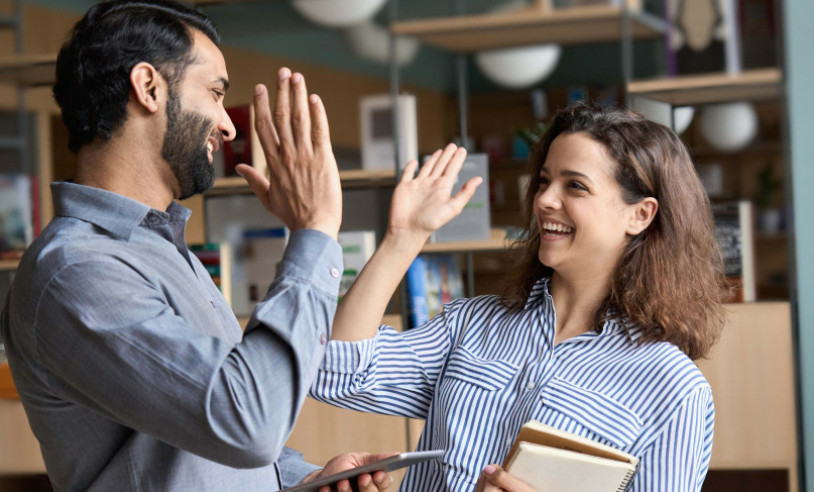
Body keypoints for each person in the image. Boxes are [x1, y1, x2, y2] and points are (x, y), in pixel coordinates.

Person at [0, 1, 476, 490]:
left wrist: (306, 479)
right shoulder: (77, 271)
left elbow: (205, 436)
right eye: (215, 93)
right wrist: (314, 229)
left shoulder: (162, 250)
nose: (228, 126)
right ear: (148, 88)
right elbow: (247, 422)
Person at [310, 103, 727, 491]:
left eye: (575, 186)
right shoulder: (471, 325)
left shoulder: (674, 389)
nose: (544, 200)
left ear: (640, 214)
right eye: (544, 181)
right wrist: (404, 237)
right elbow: (334, 372)